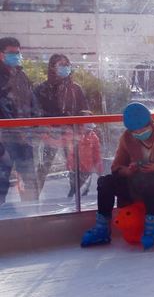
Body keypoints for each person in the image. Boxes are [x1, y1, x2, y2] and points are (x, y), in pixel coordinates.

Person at [80, 103, 154, 250]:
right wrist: (128, 170)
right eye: (134, 131)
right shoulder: (127, 138)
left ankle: (151, 227)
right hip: (136, 182)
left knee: (152, 182)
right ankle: (102, 228)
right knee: (105, 182)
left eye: (141, 129)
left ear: (150, 123)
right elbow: (116, 166)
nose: (138, 133)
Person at [33, 54, 90, 196]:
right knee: (44, 166)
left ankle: (76, 196)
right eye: (61, 65)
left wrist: (82, 126)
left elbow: (84, 110)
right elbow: (35, 112)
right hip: (50, 135)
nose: (65, 68)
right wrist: (50, 126)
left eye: (67, 64)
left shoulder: (75, 89)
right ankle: (33, 197)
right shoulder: (42, 89)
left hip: (71, 134)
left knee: (75, 165)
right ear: (52, 67)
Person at [0, 36, 40, 205]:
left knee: (29, 177)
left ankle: (32, 211)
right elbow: (3, 107)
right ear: (1, 54)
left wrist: (37, 123)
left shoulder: (21, 75)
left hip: (25, 136)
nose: (16, 56)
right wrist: (16, 129)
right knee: (2, 177)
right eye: (12, 53)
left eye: (18, 53)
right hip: (5, 137)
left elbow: (32, 100)